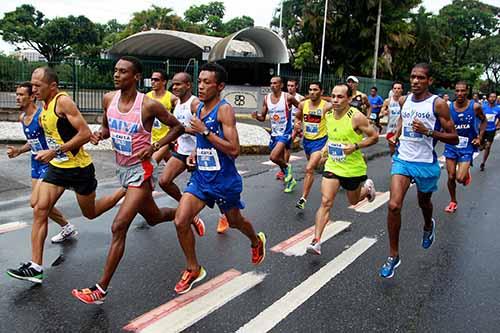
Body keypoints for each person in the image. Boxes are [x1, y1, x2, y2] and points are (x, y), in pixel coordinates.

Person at [71, 56, 204, 304]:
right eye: (115, 71)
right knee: (153, 218)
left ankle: (100, 289)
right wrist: (100, 134)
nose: (116, 75)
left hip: (141, 172)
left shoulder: (148, 105)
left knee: (119, 226)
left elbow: (176, 127)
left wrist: (154, 145)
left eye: (122, 72)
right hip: (122, 169)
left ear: (135, 77)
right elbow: (108, 128)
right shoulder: (109, 99)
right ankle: (186, 215)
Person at [6, 67, 126, 284]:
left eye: (37, 86)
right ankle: (35, 266)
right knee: (40, 209)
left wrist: (55, 151)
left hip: (79, 168)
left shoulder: (63, 102)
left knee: (90, 212)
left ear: (52, 86)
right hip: (57, 167)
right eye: (32, 86)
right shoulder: (44, 104)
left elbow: (85, 133)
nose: (33, 90)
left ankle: (124, 192)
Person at [173, 62, 266, 294]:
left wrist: (205, 131)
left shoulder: (224, 110)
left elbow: (234, 149)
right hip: (202, 179)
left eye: (207, 82)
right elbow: (204, 142)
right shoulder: (199, 110)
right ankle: (193, 269)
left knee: (235, 221)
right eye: (200, 81)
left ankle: (256, 241)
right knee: (181, 220)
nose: (201, 86)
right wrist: (196, 152)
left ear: (220, 86)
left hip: (224, 181)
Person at [379, 63, 458, 279]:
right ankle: (393, 255)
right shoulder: (403, 100)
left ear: (429, 81)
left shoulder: (438, 104)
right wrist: (396, 134)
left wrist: (429, 131)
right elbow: (403, 120)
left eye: (421, 78)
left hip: (425, 163)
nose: (415, 81)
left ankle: (427, 225)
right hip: (403, 159)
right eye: (413, 77)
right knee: (394, 205)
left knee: (424, 202)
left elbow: (454, 137)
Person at [306, 83, 378, 255]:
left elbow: (374, 137)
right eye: (333, 96)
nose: (335, 100)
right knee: (326, 201)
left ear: (349, 99)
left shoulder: (356, 117)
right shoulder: (328, 115)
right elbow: (331, 138)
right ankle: (316, 241)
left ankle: (367, 189)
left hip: (353, 168)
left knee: (353, 201)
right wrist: (324, 151)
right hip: (333, 165)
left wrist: (355, 146)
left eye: (340, 97)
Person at [7, 82, 74, 243]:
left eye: (21, 95)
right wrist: (18, 151)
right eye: (17, 94)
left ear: (32, 97)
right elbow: (32, 141)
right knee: (37, 204)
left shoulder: (42, 117)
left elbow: (56, 137)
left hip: (50, 162)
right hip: (36, 162)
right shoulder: (22, 117)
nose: (17, 98)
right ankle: (67, 227)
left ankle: (41, 249)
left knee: (37, 204)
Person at [443, 81, 486, 213]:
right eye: (457, 91)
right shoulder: (448, 107)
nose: (460, 93)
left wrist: (479, 137)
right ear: (454, 92)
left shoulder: (475, 107)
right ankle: (453, 201)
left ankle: (465, 173)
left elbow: (484, 121)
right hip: (451, 145)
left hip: (467, 146)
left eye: (462, 91)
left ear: (467, 91)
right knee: (450, 177)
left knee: (460, 179)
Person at [252, 76, 299, 193]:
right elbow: (263, 117)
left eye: (275, 83)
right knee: (279, 159)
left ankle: (288, 168)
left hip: (286, 132)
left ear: (281, 85)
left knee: (273, 157)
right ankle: (290, 181)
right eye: (271, 83)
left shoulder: (287, 97)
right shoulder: (266, 98)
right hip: (274, 134)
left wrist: (298, 122)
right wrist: (257, 116)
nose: (272, 85)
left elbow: (302, 108)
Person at [293, 82, 328, 210]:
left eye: (315, 90)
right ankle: (330, 159)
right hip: (307, 141)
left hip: (320, 141)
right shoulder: (303, 104)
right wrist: (297, 124)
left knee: (309, 169)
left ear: (321, 92)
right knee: (317, 166)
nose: (312, 92)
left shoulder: (326, 107)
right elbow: (298, 117)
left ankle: (303, 199)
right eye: (310, 90)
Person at [147, 70, 178, 163]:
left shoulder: (171, 98)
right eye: (152, 79)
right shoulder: (147, 97)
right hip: (151, 137)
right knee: (170, 163)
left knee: (151, 163)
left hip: (166, 139)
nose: (153, 82)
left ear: (164, 82)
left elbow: (181, 113)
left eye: (156, 80)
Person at [282, 78, 305, 179]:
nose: (290, 88)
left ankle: (285, 170)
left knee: (287, 147)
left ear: (296, 87)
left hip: (295, 126)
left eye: (292, 86)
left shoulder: (301, 98)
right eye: (288, 86)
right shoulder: (284, 97)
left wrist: (300, 127)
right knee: (284, 148)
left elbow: (305, 113)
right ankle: (285, 168)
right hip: (285, 125)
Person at [381, 81, 404, 155]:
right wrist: (384, 112)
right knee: (392, 149)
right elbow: (381, 112)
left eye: (399, 88)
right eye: (395, 88)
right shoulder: (387, 101)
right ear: (392, 90)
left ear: (402, 90)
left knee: (402, 149)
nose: (397, 90)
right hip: (391, 128)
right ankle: (394, 162)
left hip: (401, 129)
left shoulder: (405, 101)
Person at [479, 92, 500, 171]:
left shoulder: (498, 108)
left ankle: (483, 163)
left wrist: (497, 125)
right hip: (482, 129)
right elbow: (478, 117)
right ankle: (482, 145)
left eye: (494, 97)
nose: (492, 98)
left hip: (491, 130)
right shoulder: (483, 107)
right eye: (491, 97)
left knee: (488, 147)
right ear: (488, 98)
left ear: (496, 98)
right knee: (480, 147)